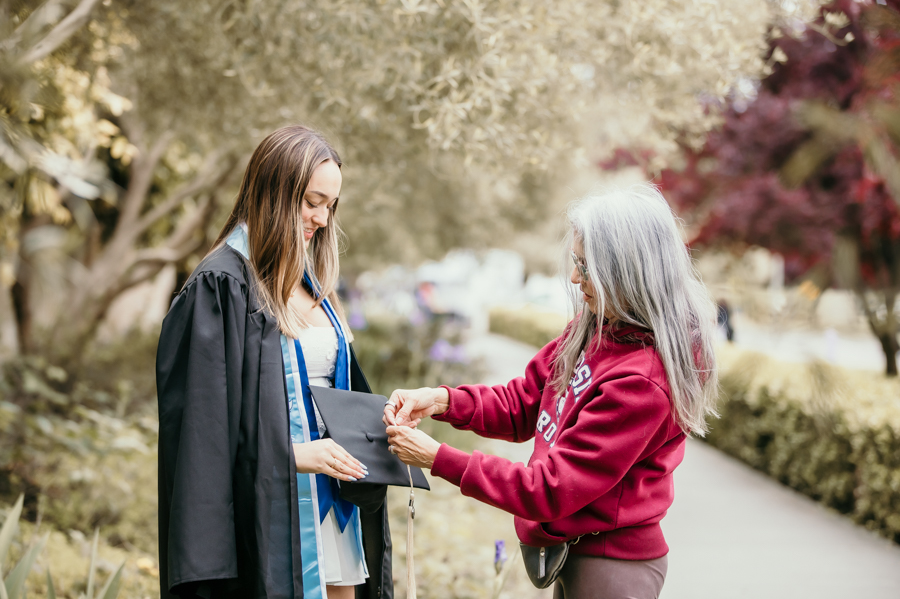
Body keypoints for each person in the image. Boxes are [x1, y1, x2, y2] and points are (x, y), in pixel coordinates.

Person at [383, 183, 719, 599]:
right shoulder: (593, 328)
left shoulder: (642, 381)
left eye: (587, 265)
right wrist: (440, 400)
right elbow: (522, 403)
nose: (576, 278)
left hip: (611, 567)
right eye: (576, 262)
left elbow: (550, 489)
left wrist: (438, 457)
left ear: (627, 271)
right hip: (570, 552)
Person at [157, 125, 391, 599]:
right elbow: (200, 435)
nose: (323, 219)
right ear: (273, 192)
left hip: (331, 502)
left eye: (330, 205)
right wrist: (293, 456)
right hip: (270, 510)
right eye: (311, 201)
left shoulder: (310, 283)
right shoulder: (220, 287)